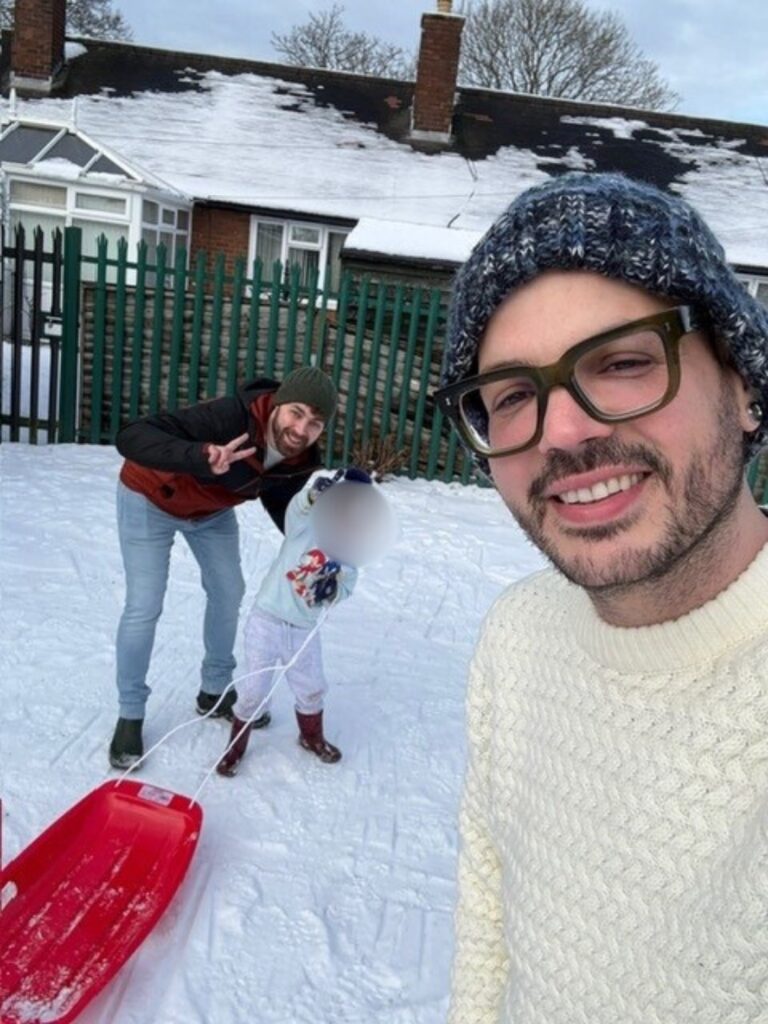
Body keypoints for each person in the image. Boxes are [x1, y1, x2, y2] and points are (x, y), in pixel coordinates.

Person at [434, 172, 768, 1023]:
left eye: (621, 362)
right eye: (513, 396)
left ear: (743, 385)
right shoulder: (517, 635)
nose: (563, 431)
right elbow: (489, 905)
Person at [109, 366, 338, 771]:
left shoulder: (300, 458)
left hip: (210, 512)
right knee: (144, 605)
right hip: (150, 497)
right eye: (296, 413)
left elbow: (284, 509)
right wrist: (200, 456)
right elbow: (131, 436)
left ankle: (214, 689)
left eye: (315, 423)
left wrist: (322, 550)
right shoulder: (229, 417)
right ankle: (130, 712)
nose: (301, 429)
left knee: (229, 590)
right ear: (279, 403)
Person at [216, 466, 391, 776]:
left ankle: (311, 737)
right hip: (267, 620)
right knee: (254, 691)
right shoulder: (304, 525)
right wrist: (311, 495)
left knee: (311, 687)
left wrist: (332, 590)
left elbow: (346, 587)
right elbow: (296, 509)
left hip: (303, 629)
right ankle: (235, 749)